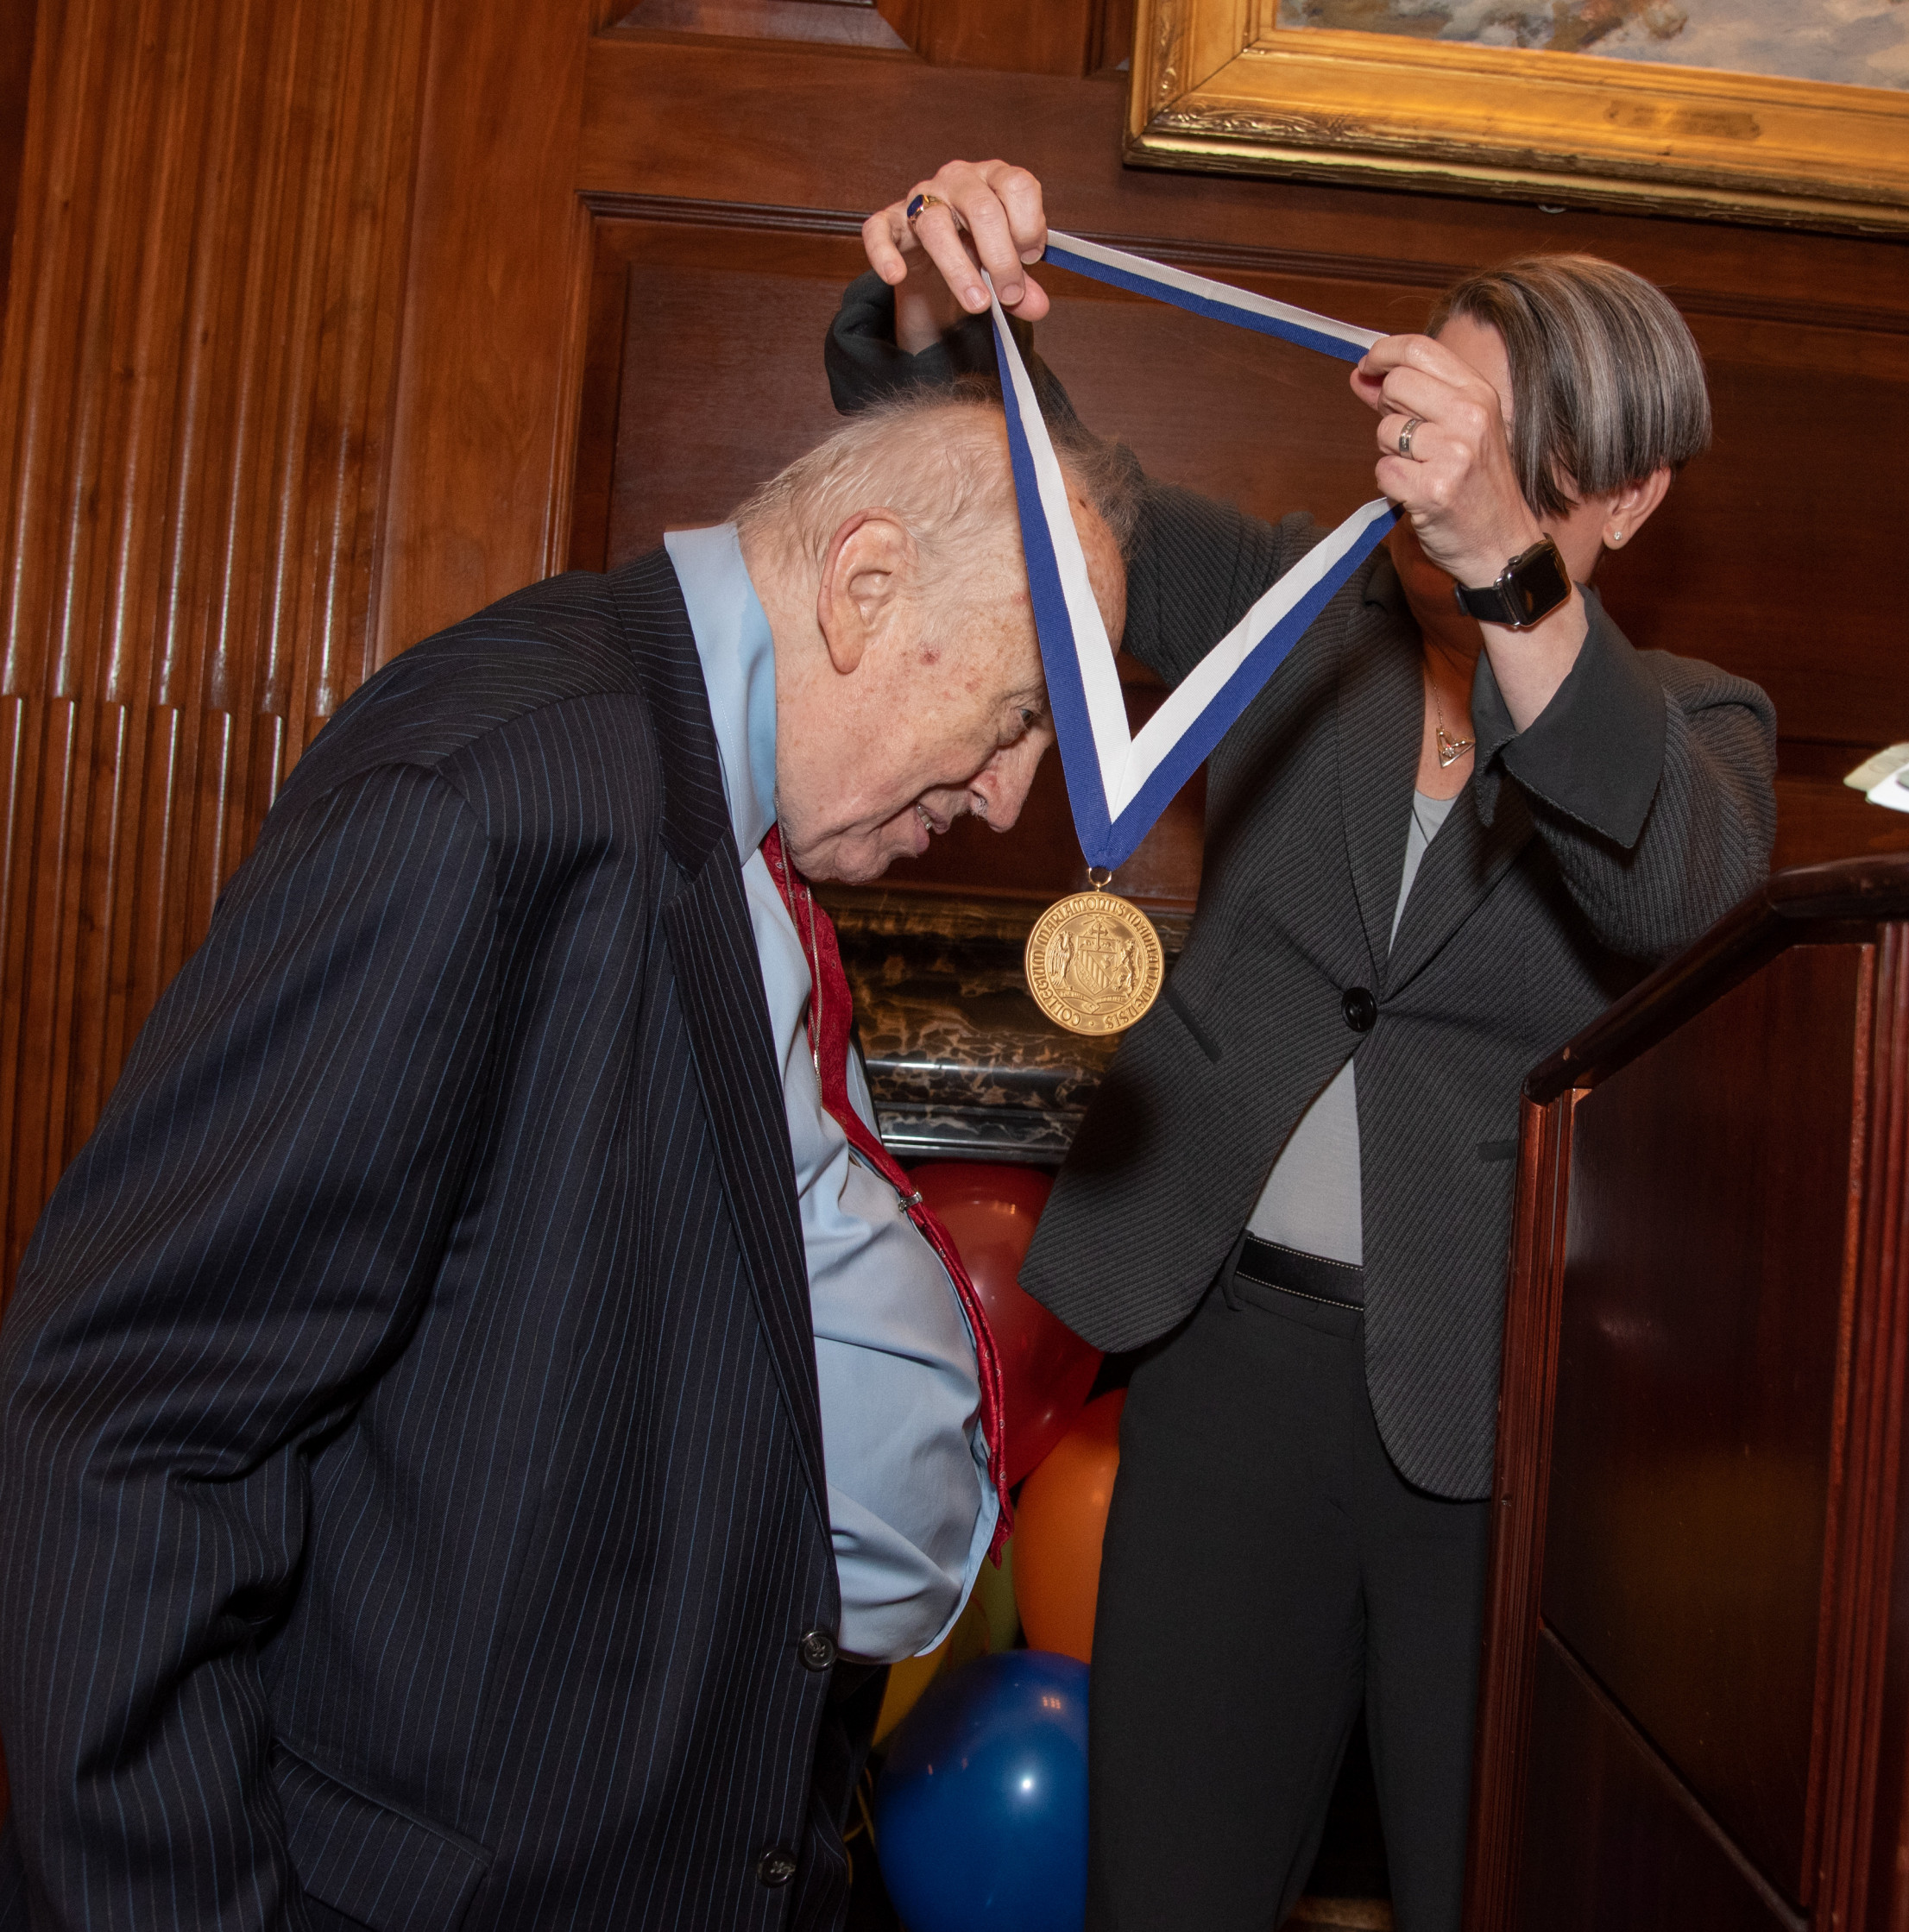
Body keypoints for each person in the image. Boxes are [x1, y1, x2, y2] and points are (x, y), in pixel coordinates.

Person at [0, 387, 1134, 1929]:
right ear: (864, 586)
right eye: (1018, 718)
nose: (1012, 797)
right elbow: (131, 1431)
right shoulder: (491, 793)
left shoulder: (731, 805)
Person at [835, 161, 1777, 1932]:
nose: (1443, 471)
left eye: (1503, 444)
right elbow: (1030, 507)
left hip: (1496, 1412)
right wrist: (934, 315)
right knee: (1168, 1891)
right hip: (1230, 1358)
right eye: (1436, 413)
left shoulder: (1696, 728)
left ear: (1630, 496)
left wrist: (1509, 582)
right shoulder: (1287, 604)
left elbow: (1669, 889)